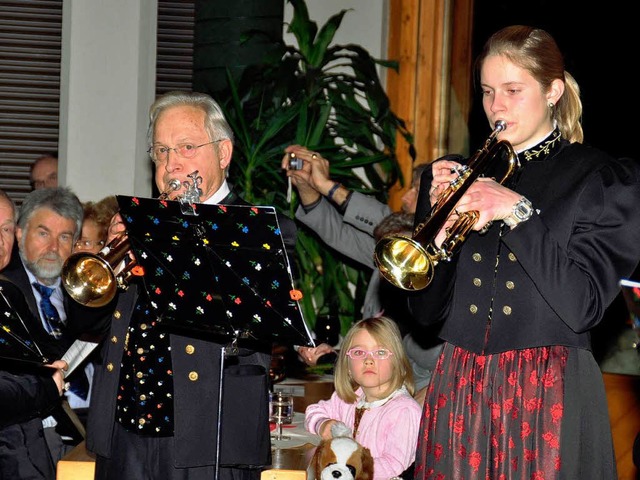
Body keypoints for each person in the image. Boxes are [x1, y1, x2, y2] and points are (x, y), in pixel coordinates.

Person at [409, 25, 640, 479]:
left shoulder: (600, 178)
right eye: (488, 91)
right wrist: (436, 239)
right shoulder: (462, 175)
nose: (497, 106)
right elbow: (424, 314)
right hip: (461, 385)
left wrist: (516, 211)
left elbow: (583, 307)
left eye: (514, 90)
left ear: (553, 90)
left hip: (546, 390)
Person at [84, 90, 297, 480]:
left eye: (185, 147)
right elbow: (90, 331)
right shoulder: (140, 225)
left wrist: (159, 246)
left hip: (208, 441)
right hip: (125, 436)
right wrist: (108, 269)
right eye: (161, 151)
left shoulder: (262, 227)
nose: (171, 163)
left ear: (223, 153)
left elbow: (249, 324)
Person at [282, 147, 445, 392]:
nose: (404, 198)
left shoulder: (438, 266)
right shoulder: (390, 256)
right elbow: (335, 231)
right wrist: (306, 184)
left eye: (415, 189)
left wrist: (326, 185)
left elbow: (384, 220)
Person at [2, 187, 93, 462]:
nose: (53, 247)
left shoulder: (84, 286)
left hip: (82, 430)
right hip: (30, 435)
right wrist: (47, 386)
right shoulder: (11, 286)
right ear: (22, 234)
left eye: (64, 236)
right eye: (43, 233)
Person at [304, 316, 422, 480]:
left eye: (380, 352)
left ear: (397, 363)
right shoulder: (349, 398)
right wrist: (322, 424)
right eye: (359, 352)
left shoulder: (404, 410)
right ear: (348, 366)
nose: (368, 360)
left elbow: (393, 465)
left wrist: (350, 469)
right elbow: (314, 411)